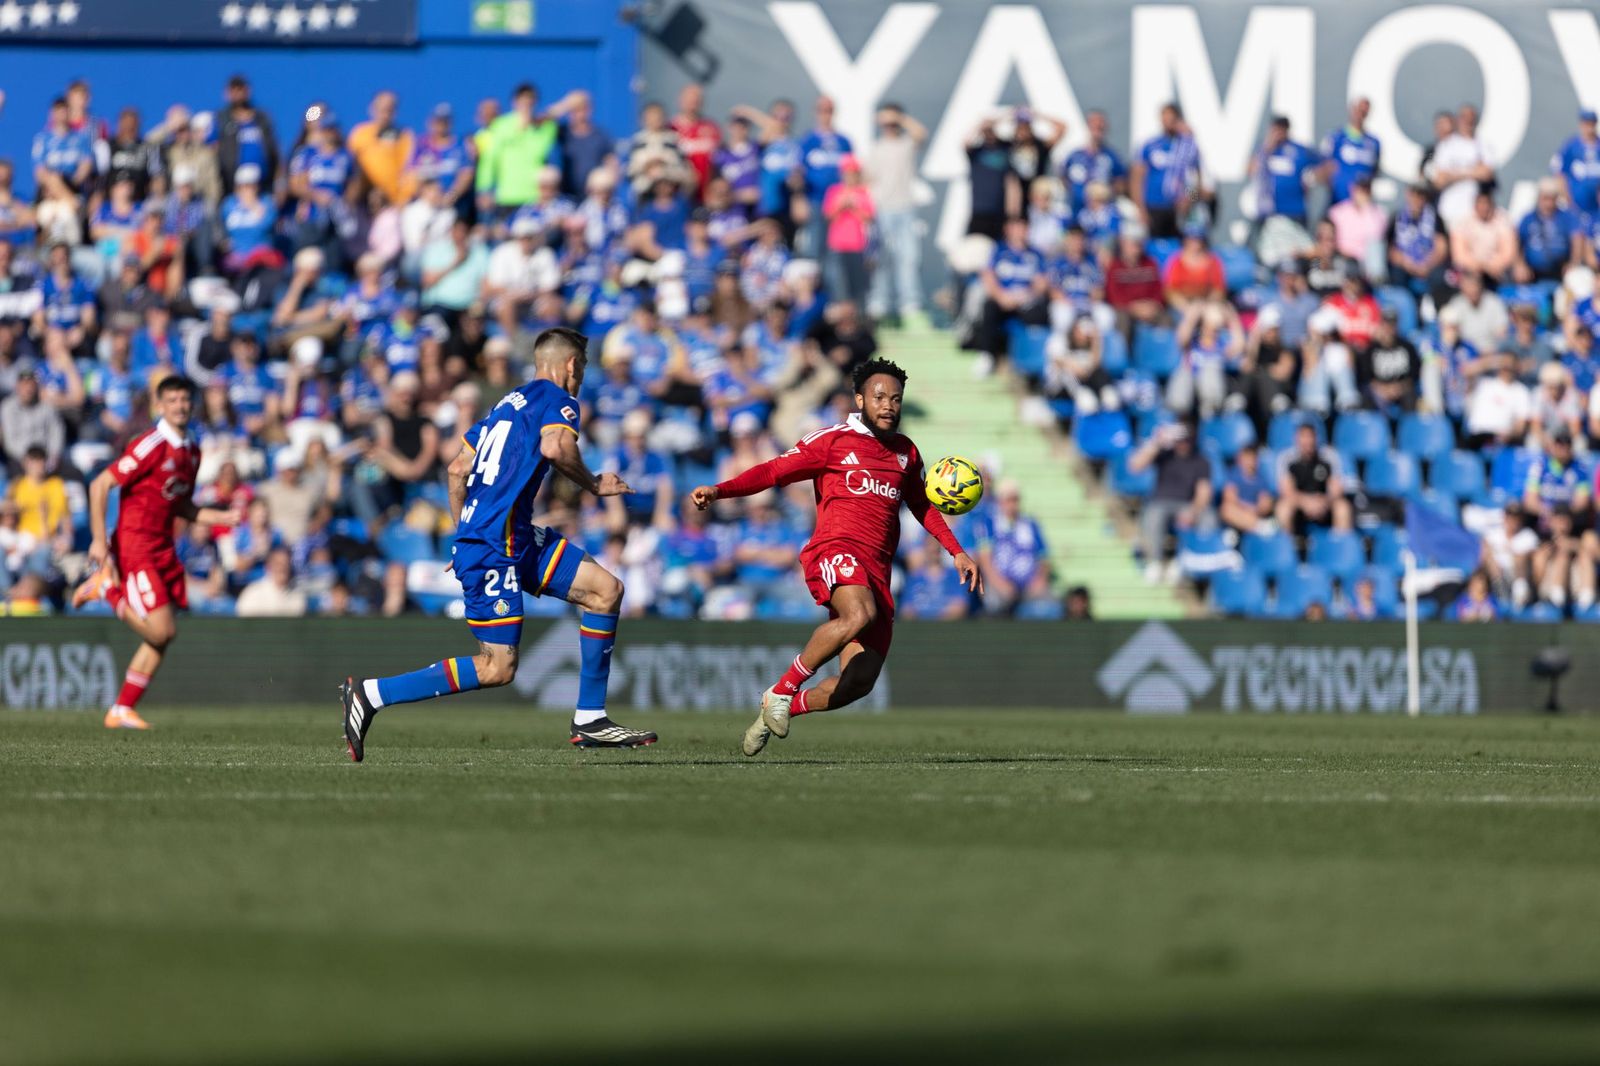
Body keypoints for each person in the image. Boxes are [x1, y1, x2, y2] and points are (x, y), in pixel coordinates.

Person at [340, 328, 655, 761]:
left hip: (510, 536)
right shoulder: (558, 401)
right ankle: (371, 694)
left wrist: (462, 530)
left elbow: (455, 470)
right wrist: (595, 483)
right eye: (580, 367)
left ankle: (590, 718)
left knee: (606, 591)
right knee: (497, 668)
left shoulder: (505, 405)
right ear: (569, 365)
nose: (581, 377)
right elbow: (557, 446)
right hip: (493, 545)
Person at [690, 358, 981, 756]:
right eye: (879, 397)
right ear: (860, 398)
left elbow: (923, 506)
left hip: (877, 570)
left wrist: (958, 552)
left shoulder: (905, 453)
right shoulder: (831, 440)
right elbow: (774, 472)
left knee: (858, 683)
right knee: (858, 614)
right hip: (835, 549)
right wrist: (720, 490)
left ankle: (784, 706)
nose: (888, 406)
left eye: (896, 399)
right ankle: (781, 689)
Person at [71, 376, 240, 729]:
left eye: (184, 399)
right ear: (159, 406)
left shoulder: (192, 451)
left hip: (163, 548)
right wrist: (99, 540)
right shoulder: (151, 444)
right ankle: (106, 589)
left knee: (164, 635)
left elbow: (184, 507)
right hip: (135, 546)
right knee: (161, 631)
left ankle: (120, 709)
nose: (179, 405)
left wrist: (224, 516)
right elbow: (101, 483)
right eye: (172, 400)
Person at [1127, 421, 1213, 583]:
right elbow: (1135, 466)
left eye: (1186, 439)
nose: (1183, 444)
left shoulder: (1201, 461)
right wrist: (1156, 442)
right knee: (1153, 514)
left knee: (1209, 518)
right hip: (1160, 503)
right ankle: (1155, 562)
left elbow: (1204, 492)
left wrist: (1193, 511)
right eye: (1180, 439)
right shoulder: (1164, 454)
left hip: (1187, 505)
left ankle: (1189, 561)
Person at [865, 103, 927, 324]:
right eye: (886, 122)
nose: (889, 126)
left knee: (909, 257)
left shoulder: (906, 143)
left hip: (905, 208)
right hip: (881, 210)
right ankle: (880, 302)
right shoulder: (876, 148)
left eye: (893, 122)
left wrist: (900, 118)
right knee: (881, 259)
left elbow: (921, 133)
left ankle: (909, 303)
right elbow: (866, 179)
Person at [1133, 102, 1201, 238]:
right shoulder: (1150, 145)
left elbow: (1194, 178)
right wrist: (1140, 209)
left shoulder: (1187, 146)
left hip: (1177, 208)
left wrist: (1189, 200)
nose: (1168, 122)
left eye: (1172, 118)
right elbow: (1137, 179)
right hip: (1153, 206)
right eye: (1165, 118)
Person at [1276, 423, 1352, 534]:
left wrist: (1323, 501)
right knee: (1282, 508)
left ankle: (1339, 547)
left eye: (1310, 436)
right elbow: (1286, 491)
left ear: (1316, 438)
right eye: (1303, 437)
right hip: (1299, 505)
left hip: (1324, 504)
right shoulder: (1286, 458)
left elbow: (1336, 489)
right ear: (1297, 438)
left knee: (1343, 508)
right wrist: (1306, 502)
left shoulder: (1329, 456)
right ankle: (1286, 547)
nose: (1308, 441)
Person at [1431, 103, 1496, 227]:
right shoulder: (1447, 145)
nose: (1468, 121)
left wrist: (1453, 172)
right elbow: (1439, 179)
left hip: (1474, 213)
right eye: (1464, 117)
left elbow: (1487, 173)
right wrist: (1474, 170)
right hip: (1448, 210)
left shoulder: (1483, 145)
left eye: (1471, 117)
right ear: (1458, 120)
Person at [1249, 115, 1318, 228]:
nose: (1278, 133)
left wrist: (1311, 178)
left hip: (1295, 211)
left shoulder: (1299, 150)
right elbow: (1251, 170)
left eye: (1281, 129)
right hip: (1270, 212)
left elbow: (1323, 164)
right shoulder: (1264, 151)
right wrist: (1266, 149)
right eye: (1276, 129)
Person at [1320, 97, 1380, 205]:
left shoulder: (1373, 142)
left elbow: (1375, 171)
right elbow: (1325, 166)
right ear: (1352, 109)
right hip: (1338, 201)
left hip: (1361, 204)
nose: (1360, 114)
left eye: (1364, 111)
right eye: (1358, 110)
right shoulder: (1336, 137)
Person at [1219, 442, 1276, 536]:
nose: (1250, 461)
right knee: (1226, 509)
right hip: (1239, 513)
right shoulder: (1233, 475)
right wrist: (1248, 508)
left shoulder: (1261, 479)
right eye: (1247, 457)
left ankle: (1256, 526)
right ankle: (1260, 527)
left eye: (1253, 458)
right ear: (1240, 459)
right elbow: (1229, 498)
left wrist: (1256, 509)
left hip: (1254, 514)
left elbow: (1265, 503)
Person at [1553, 108, 1600, 218]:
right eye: (1586, 123)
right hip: (1577, 207)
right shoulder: (1571, 146)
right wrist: (1568, 201)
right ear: (1581, 124)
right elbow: (1560, 174)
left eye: (1591, 123)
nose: (1589, 127)